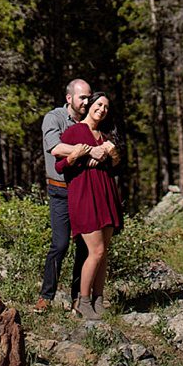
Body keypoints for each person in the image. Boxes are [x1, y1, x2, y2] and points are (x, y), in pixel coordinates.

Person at [58, 91, 123, 320]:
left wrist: (112, 154)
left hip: (105, 196)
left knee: (103, 253)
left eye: (106, 106)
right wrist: (79, 155)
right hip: (84, 196)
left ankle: (98, 299)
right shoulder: (74, 131)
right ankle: (82, 302)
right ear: (90, 105)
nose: (102, 109)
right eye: (99, 104)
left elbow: (116, 168)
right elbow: (60, 165)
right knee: (95, 251)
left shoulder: (106, 135)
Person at [37, 79, 93, 314]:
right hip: (60, 189)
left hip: (84, 190)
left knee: (84, 246)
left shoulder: (91, 120)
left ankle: (78, 299)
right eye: (83, 98)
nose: (87, 102)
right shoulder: (54, 118)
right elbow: (55, 147)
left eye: (89, 97)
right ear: (70, 98)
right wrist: (88, 149)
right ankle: (45, 296)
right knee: (60, 245)